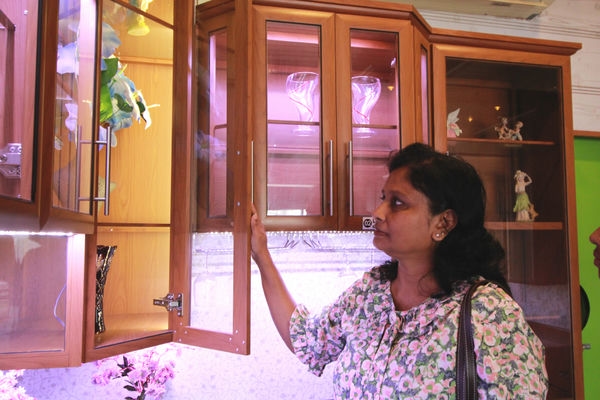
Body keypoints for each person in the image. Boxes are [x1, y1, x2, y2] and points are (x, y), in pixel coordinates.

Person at [250, 143, 548, 399]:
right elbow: (309, 342)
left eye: (398, 203)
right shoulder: (369, 293)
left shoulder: (490, 313)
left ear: (444, 223)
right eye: (383, 198)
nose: (377, 213)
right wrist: (261, 254)